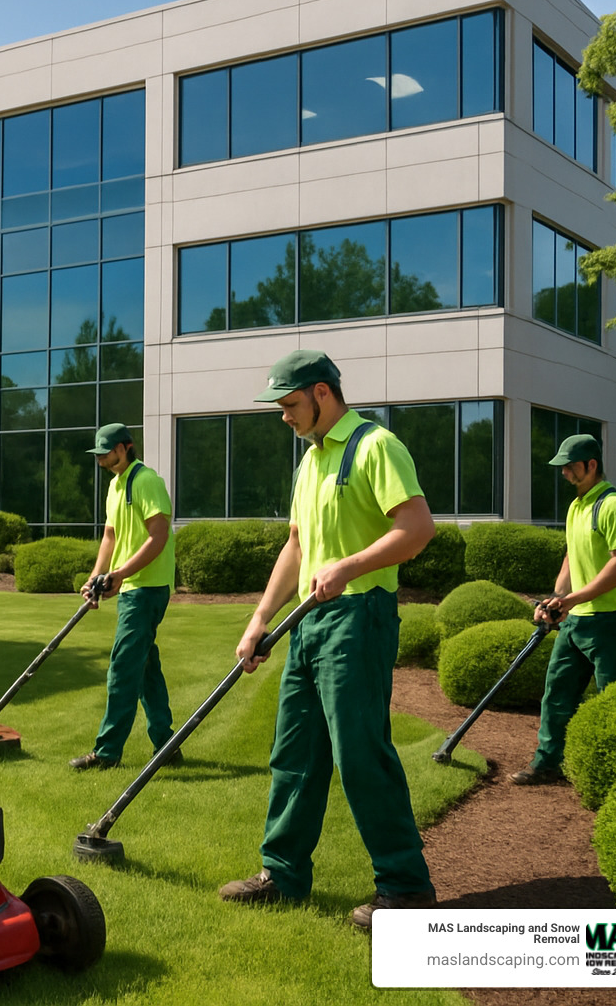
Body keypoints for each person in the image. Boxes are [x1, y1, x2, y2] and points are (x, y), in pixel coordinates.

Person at [217, 350, 437, 929]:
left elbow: (417, 528)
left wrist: (350, 566)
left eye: (289, 405)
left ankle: (406, 887)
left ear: (321, 393)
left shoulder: (375, 446)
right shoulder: (310, 462)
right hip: (310, 622)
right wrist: (260, 618)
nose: (283, 417)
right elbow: (295, 546)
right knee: (295, 753)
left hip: (360, 616)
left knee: (360, 752)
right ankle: (282, 874)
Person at [512, 434, 616, 785]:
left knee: (611, 701)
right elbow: (571, 557)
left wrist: (575, 599)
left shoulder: (613, 505)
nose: (564, 472)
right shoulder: (576, 506)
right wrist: (557, 597)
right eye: (563, 467)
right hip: (575, 623)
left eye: (570, 466)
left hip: (608, 623)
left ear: (592, 465)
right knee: (556, 695)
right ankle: (547, 763)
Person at [69, 423, 178, 771]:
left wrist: (121, 574)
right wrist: (95, 577)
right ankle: (168, 745)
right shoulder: (115, 486)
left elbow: (158, 536)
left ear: (125, 447)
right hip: (131, 585)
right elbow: (110, 536)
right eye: (98, 454)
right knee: (145, 668)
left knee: (123, 668)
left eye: (107, 452)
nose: (101, 458)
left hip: (147, 588)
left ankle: (107, 752)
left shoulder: (147, 482)